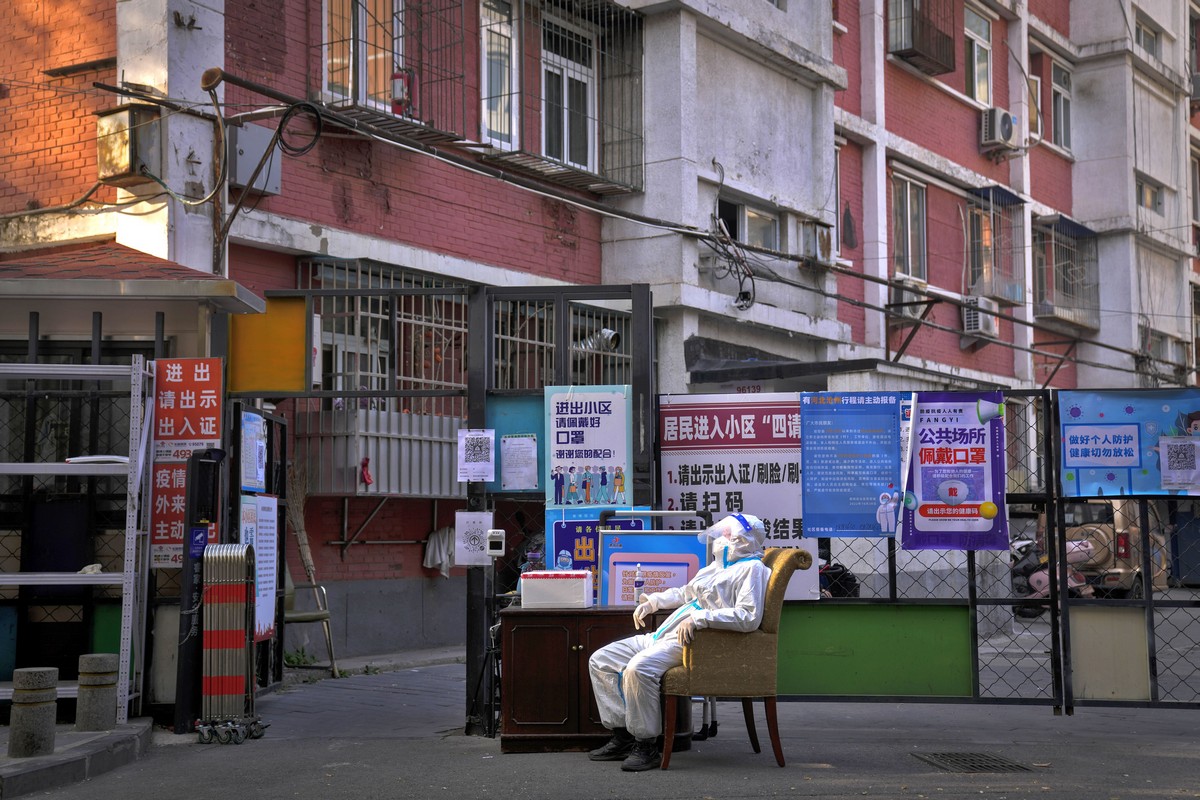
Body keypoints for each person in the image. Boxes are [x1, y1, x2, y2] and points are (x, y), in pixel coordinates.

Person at [586, 513, 771, 771]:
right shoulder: (716, 567)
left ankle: (646, 744)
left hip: (695, 642)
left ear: (743, 539)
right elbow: (685, 593)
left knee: (638, 669)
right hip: (665, 633)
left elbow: (748, 617)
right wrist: (654, 602)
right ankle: (623, 736)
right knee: (601, 659)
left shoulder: (753, 569)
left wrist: (701, 618)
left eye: (728, 534)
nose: (721, 538)